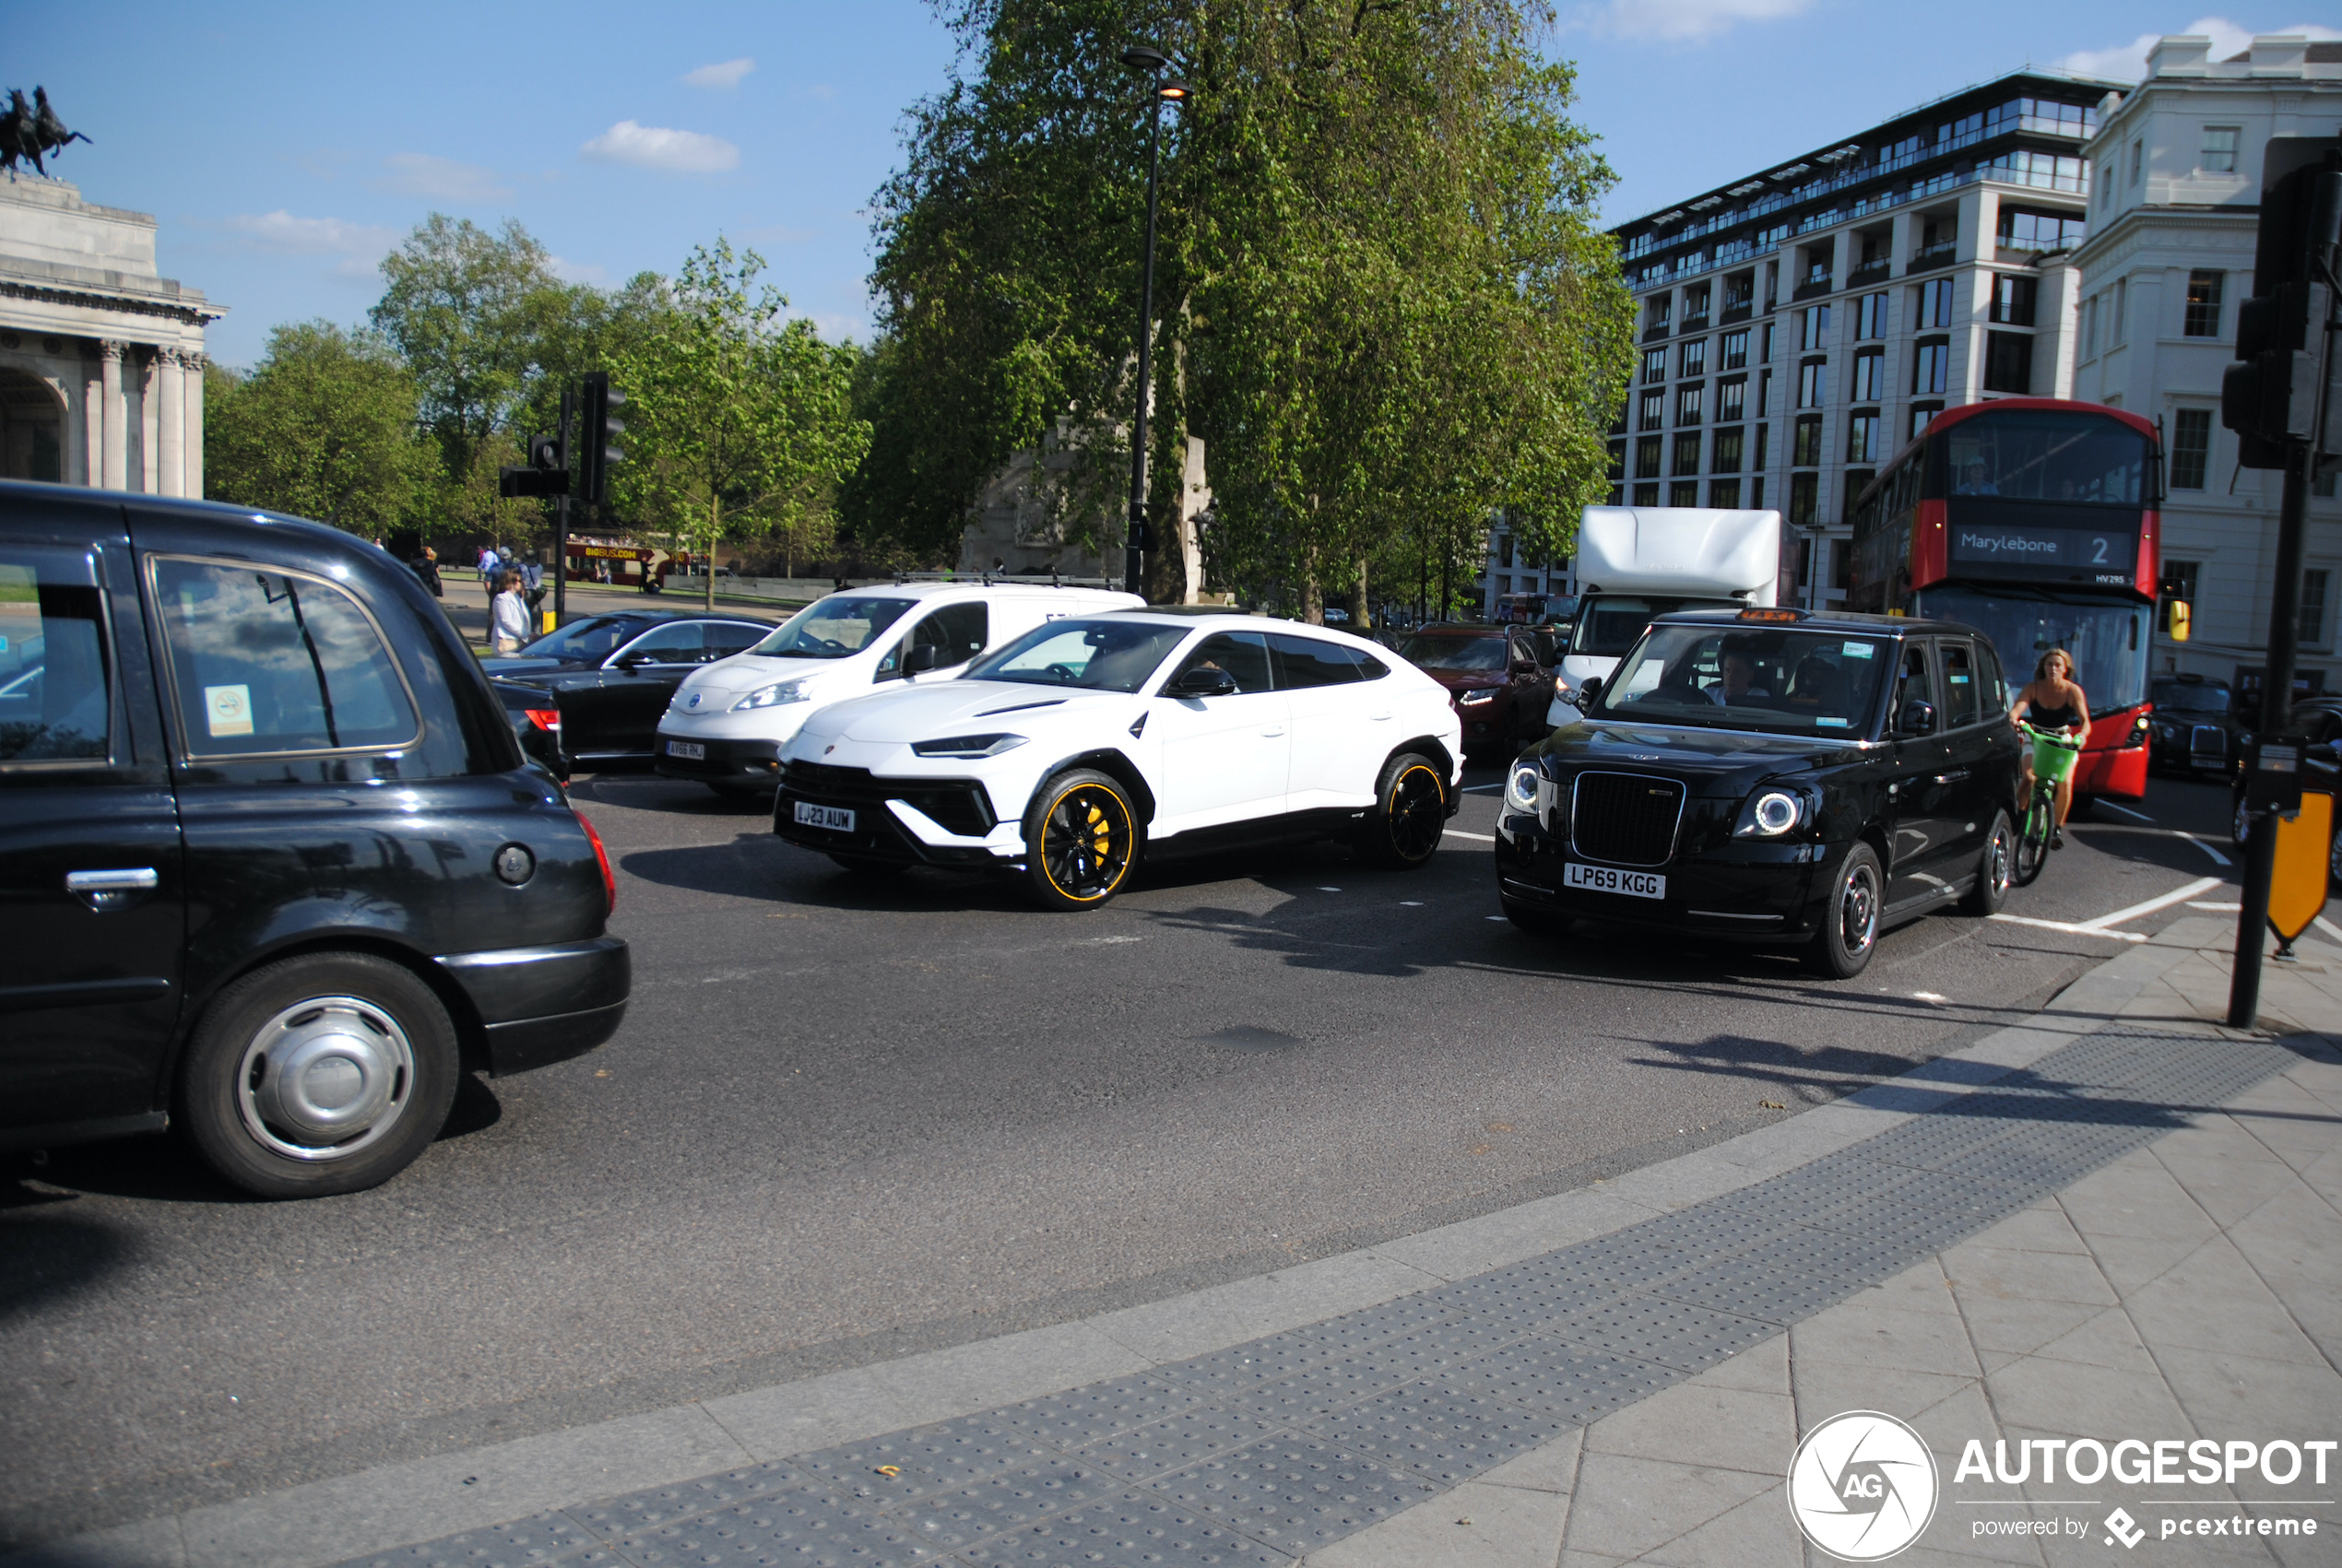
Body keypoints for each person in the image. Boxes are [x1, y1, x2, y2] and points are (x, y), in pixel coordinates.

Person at [2011, 647, 2089, 848]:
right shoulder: (2033, 688)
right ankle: (2019, 815)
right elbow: (2017, 710)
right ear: (2043, 667)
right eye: (2049, 664)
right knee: (2028, 777)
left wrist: (2082, 735)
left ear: (2065, 669)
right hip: (2036, 735)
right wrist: (2014, 720)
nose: (2053, 669)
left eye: (2058, 665)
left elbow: (2085, 722)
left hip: (2062, 740)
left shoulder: (2073, 691)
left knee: (2065, 783)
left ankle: (2056, 830)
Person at [1705, 646, 1772, 706]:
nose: (1730, 676)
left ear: (1750, 676)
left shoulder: (1759, 696)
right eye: (1727, 670)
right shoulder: (1709, 694)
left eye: (1737, 671)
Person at [490, 570, 530, 654]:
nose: (522, 583)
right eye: (519, 581)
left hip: (518, 640)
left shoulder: (518, 598)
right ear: (511, 582)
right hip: (506, 640)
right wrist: (525, 634)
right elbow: (506, 621)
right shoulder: (502, 598)